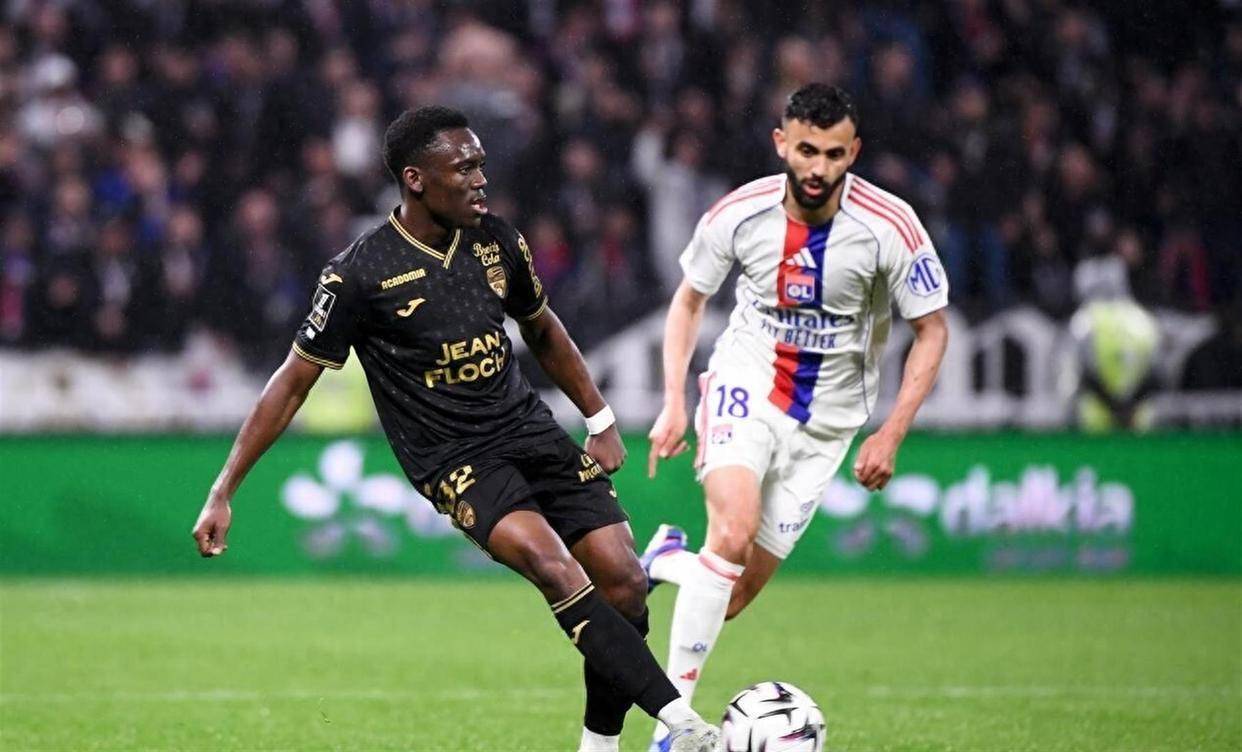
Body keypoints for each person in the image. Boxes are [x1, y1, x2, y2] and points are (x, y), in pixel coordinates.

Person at [190, 106, 720, 752]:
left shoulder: (497, 241)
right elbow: (291, 383)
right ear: (416, 179)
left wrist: (599, 417)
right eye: (463, 168)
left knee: (624, 584)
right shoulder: (359, 273)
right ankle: (686, 727)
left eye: (480, 165)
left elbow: (543, 329)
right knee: (555, 568)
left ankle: (599, 746)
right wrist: (223, 489)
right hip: (455, 459)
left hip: (527, 428)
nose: (479, 179)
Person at [644, 84, 949, 750]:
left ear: (853, 153)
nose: (817, 167)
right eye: (807, 150)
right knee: (731, 532)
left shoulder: (890, 226)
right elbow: (689, 300)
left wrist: (892, 431)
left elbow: (931, 328)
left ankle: (667, 561)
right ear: (782, 143)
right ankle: (674, 726)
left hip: (829, 423)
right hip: (747, 384)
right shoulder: (739, 214)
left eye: (833, 154)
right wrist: (673, 401)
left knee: (732, 595)